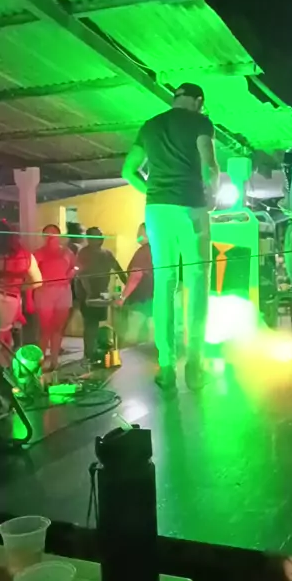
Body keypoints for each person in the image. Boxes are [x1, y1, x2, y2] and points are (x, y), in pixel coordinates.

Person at [122, 82, 219, 390]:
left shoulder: (150, 126)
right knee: (197, 280)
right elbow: (210, 165)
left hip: (157, 211)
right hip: (190, 206)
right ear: (198, 101)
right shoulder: (200, 122)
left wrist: (153, 191)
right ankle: (195, 365)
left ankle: (166, 366)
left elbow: (128, 171)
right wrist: (212, 196)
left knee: (164, 284)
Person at [76, 227, 126, 362]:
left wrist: (128, 286)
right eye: (95, 236)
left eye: (100, 235)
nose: (99, 239)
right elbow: (81, 275)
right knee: (90, 324)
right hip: (87, 294)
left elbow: (118, 269)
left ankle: (93, 352)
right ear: (88, 239)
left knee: (96, 323)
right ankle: (89, 354)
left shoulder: (107, 254)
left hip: (102, 293)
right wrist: (88, 293)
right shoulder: (84, 253)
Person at [0, 220, 42, 365]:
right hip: (12, 300)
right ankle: (7, 371)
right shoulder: (25, 255)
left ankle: (4, 371)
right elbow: (38, 281)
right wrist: (18, 288)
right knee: (5, 340)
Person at [34, 225, 76, 370]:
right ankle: (39, 363)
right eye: (47, 234)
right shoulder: (39, 253)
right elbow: (31, 272)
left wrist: (71, 274)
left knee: (58, 328)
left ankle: (54, 361)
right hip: (45, 292)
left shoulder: (67, 252)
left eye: (53, 233)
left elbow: (75, 266)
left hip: (63, 291)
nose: (50, 236)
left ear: (59, 235)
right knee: (45, 329)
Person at [119, 223, 154, 344]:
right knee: (151, 335)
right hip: (156, 298)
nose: (138, 235)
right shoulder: (160, 249)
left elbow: (135, 276)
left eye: (141, 232)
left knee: (132, 334)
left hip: (141, 299)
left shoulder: (143, 251)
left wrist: (122, 297)